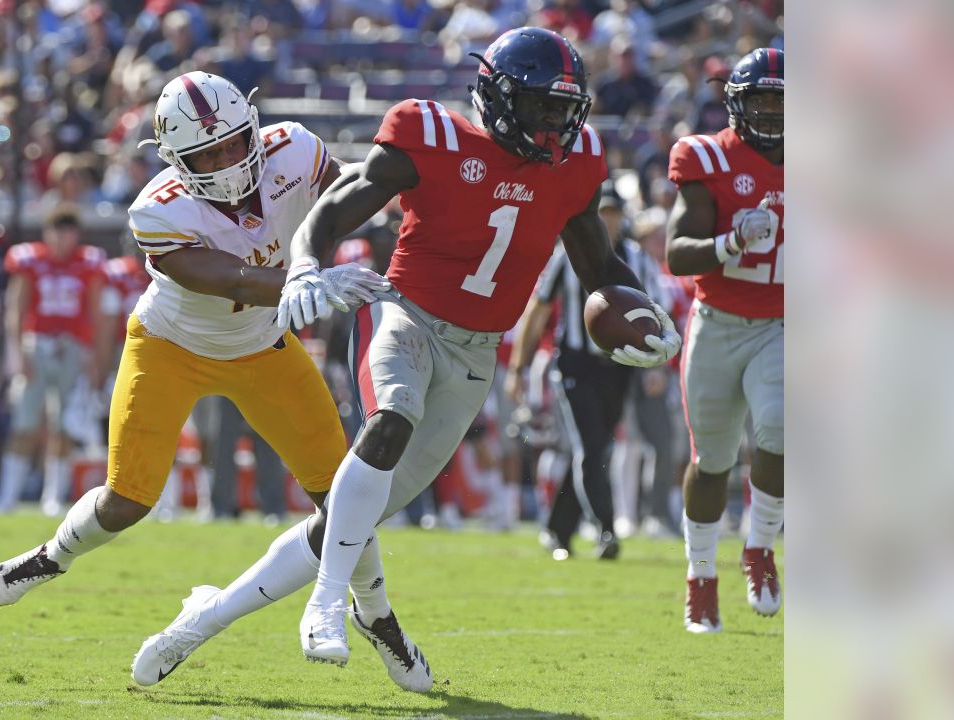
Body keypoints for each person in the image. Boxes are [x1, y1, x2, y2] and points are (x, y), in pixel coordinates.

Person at [0, 72, 433, 693]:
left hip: (264, 347)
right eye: (206, 154)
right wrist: (311, 279)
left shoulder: (293, 148)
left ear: (251, 123)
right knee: (127, 500)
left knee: (345, 494)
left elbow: (353, 193)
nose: (224, 163)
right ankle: (54, 554)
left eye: (230, 144)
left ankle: (377, 616)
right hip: (172, 346)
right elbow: (233, 280)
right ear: (174, 159)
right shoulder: (156, 210)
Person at [278, 27, 682, 666]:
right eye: (542, 107)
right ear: (499, 96)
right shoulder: (431, 136)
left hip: (476, 351)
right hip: (407, 314)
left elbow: (600, 268)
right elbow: (334, 206)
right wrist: (304, 263)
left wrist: (653, 319)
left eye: (565, 111)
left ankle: (227, 616)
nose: (555, 127)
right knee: (386, 427)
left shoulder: (574, 166)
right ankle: (330, 604)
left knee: (357, 515)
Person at [665, 48, 784, 633]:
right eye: (759, 99)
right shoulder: (705, 155)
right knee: (711, 461)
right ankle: (701, 574)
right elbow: (676, 249)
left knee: (782, 428)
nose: (769, 111)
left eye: (780, 100)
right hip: (717, 322)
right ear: (735, 105)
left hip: (786, 324)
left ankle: (760, 547)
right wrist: (729, 242)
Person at [507, 190, 660, 561]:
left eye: (612, 213)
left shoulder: (637, 260)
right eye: (601, 213)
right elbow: (538, 311)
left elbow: (657, 311)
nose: (606, 221)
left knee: (597, 449)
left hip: (620, 367)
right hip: (575, 364)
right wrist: (518, 367)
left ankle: (557, 528)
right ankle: (605, 529)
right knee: (590, 447)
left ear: (622, 217)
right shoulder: (568, 255)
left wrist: (659, 363)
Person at [0, 204, 107, 516]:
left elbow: (97, 313)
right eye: (58, 229)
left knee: (64, 426)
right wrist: (17, 353)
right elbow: (16, 308)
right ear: (47, 233)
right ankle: (7, 498)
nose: (63, 237)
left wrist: (95, 358)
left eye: (69, 230)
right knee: (25, 423)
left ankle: (53, 497)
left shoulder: (89, 262)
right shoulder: (30, 259)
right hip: (38, 344)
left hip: (73, 348)